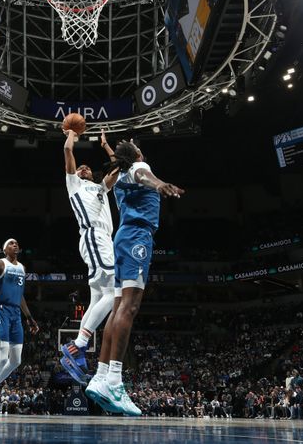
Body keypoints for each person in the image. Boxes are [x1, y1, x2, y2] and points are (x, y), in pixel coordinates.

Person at [84, 140, 183, 416]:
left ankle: (101, 376)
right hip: (138, 238)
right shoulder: (139, 166)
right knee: (130, 307)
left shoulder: (119, 175)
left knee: (117, 308)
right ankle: (115, 381)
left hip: (122, 239)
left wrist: (106, 146)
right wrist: (159, 184)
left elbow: (123, 164)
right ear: (138, 154)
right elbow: (143, 174)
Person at [59, 130, 118, 385]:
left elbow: (118, 170)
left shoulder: (100, 188)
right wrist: (72, 134)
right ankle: (78, 344)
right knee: (115, 293)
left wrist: (106, 146)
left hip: (104, 240)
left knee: (97, 298)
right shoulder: (75, 185)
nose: (83, 168)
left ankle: (78, 351)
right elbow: (68, 152)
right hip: (94, 236)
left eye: (87, 167)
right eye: (80, 168)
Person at [0, 239, 39, 424]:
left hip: (16, 313)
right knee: (2, 357)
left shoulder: (22, 268)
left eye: (17, 243)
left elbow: (20, 296)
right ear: (4, 249)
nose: (15, 245)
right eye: (11, 243)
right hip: (0, 310)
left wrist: (29, 317)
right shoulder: (0, 264)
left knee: (16, 360)